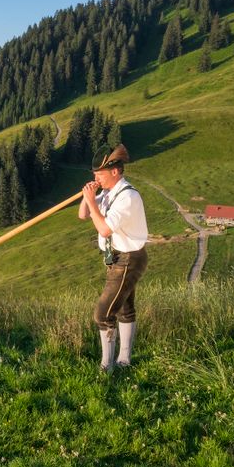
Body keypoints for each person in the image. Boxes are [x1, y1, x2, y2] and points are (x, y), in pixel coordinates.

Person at [78, 144, 148, 372]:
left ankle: (106, 366)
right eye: (94, 175)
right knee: (124, 309)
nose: (96, 178)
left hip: (128, 259)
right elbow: (83, 215)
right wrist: (87, 197)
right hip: (117, 258)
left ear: (115, 171)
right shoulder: (109, 193)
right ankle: (124, 361)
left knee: (103, 313)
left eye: (100, 174)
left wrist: (91, 200)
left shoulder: (127, 196)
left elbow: (105, 229)